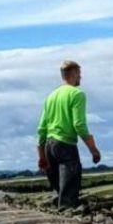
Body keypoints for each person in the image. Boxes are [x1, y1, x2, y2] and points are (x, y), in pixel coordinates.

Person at [36, 59, 99, 209]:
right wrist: (93, 149)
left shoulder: (50, 97)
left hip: (49, 145)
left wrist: (42, 156)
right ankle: (68, 217)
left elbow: (42, 128)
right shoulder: (77, 94)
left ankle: (57, 215)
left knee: (59, 189)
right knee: (69, 193)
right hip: (65, 144)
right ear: (74, 74)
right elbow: (79, 124)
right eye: (79, 74)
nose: (81, 78)